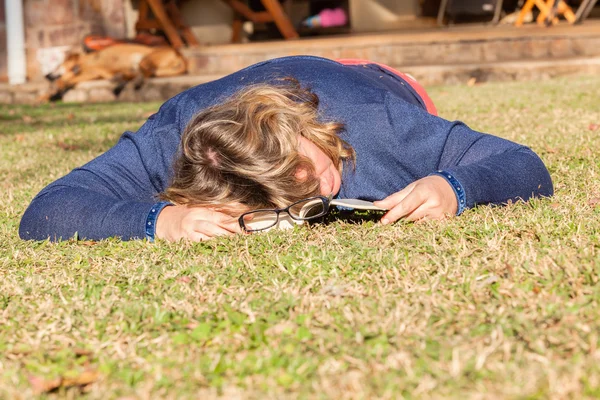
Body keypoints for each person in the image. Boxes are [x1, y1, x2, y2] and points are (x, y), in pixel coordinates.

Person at [19, 56, 553, 242]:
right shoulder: (169, 140)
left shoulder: (380, 126)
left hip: (365, 82)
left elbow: (523, 163)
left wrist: (453, 186)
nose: (323, 189)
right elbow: (46, 210)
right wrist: (161, 222)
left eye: (306, 168)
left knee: (395, 83)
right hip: (217, 95)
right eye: (286, 197)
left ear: (298, 128)